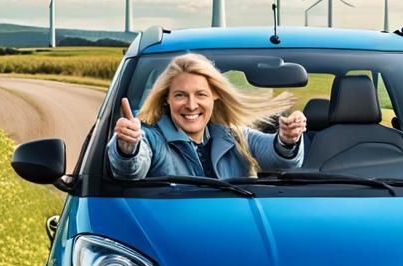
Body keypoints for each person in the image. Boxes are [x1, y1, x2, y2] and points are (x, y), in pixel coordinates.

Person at [107, 52, 307, 180]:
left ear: (215, 95)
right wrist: (127, 148)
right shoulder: (150, 138)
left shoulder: (235, 135)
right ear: (166, 98)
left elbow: (280, 160)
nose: (191, 105)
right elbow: (130, 170)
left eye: (201, 94)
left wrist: (287, 140)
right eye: (180, 95)